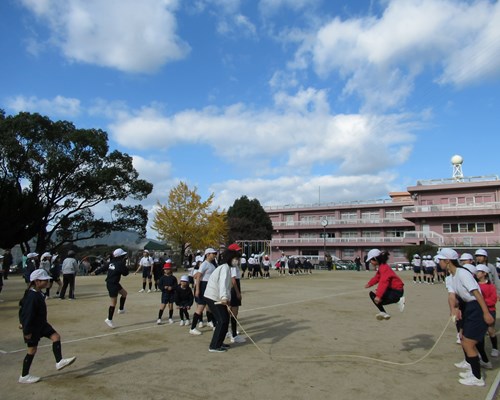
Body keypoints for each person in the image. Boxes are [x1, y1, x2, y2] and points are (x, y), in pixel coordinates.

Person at [437, 248, 494, 387]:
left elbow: (476, 293)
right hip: (468, 308)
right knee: (464, 340)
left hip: (476, 307)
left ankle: (477, 377)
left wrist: (486, 313)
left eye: (440, 260)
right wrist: (453, 310)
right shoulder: (452, 275)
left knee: (468, 343)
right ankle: (474, 370)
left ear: (447, 260)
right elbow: (452, 296)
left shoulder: (462, 273)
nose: (439, 262)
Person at [18, 269, 76, 383]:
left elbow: (21, 306)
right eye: (45, 280)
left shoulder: (37, 293)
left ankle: (59, 361)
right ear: (37, 281)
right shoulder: (32, 296)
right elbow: (26, 312)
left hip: (41, 324)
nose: (47, 282)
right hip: (32, 327)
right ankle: (24, 376)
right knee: (32, 350)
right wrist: (26, 329)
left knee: (56, 337)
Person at [204, 243, 241, 352]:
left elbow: (227, 286)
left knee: (224, 320)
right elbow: (222, 284)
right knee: (222, 320)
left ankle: (219, 342)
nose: (237, 261)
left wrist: (227, 299)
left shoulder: (227, 268)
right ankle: (214, 346)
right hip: (213, 297)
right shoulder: (224, 268)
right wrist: (224, 297)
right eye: (236, 259)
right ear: (230, 259)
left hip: (216, 297)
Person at [93, 248, 129, 329]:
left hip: (113, 283)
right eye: (123, 255)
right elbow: (125, 273)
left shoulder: (111, 263)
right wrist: (124, 264)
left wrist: (95, 272)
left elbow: (103, 268)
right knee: (113, 303)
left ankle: (121, 309)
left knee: (124, 293)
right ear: (120, 256)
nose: (125, 256)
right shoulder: (120, 264)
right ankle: (109, 319)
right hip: (112, 284)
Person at [364, 249, 405, 320]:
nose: (370, 262)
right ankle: (383, 312)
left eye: (371, 260)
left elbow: (383, 282)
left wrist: (379, 296)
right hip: (393, 290)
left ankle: (399, 300)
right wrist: (370, 283)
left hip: (396, 291)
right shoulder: (382, 267)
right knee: (373, 295)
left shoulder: (384, 268)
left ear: (376, 259)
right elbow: (377, 277)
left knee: (378, 299)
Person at [189, 248, 218, 335]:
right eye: (213, 253)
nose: (214, 255)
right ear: (208, 254)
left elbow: (196, 275)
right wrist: (197, 289)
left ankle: (213, 323)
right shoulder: (204, 264)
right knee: (200, 307)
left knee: (210, 306)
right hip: (203, 286)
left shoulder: (212, 265)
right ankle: (193, 327)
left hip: (210, 286)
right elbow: (198, 277)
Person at [476, 264, 499, 358]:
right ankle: (481, 352)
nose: (476, 274)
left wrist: (481, 301)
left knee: (491, 330)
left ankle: (495, 348)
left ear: (484, 273)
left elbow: (493, 300)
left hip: (490, 311)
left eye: (478, 272)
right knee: (480, 332)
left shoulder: (491, 286)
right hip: (478, 311)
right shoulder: (475, 285)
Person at [228, 245, 246, 344]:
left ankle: (230, 331)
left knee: (230, 311)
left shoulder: (231, 263)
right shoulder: (233, 263)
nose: (239, 253)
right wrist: (238, 293)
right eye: (238, 251)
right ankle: (234, 335)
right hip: (233, 288)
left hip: (231, 288)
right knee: (234, 311)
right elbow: (233, 280)